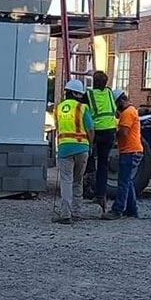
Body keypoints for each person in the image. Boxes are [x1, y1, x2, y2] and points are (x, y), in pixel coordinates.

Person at [53, 79, 94, 224]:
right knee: (78, 181)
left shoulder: (58, 108)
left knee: (66, 181)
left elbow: (57, 128)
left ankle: (65, 214)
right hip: (82, 147)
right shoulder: (82, 108)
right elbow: (90, 129)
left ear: (67, 92)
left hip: (64, 149)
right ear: (79, 94)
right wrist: (90, 145)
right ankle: (76, 213)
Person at [103, 88, 142, 220]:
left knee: (123, 182)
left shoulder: (128, 113)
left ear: (120, 101)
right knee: (127, 181)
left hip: (130, 151)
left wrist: (113, 134)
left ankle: (117, 210)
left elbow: (124, 132)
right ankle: (132, 210)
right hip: (132, 150)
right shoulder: (131, 111)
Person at [85, 71, 119, 208]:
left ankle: (90, 186)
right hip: (110, 131)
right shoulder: (109, 93)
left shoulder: (89, 94)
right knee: (104, 165)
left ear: (94, 82)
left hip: (97, 132)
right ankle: (101, 195)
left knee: (89, 158)